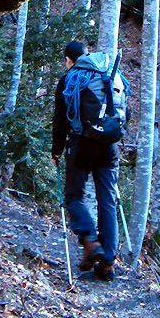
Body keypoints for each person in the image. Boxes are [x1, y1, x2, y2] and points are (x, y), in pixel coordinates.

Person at [51, 40, 121, 281]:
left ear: (69, 60)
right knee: (107, 201)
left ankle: (90, 242)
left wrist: (56, 151)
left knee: (73, 196)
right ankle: (108, 264)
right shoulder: (108, 75)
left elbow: (60, 120)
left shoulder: (70, 79)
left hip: (81, 145)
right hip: (109, 146)